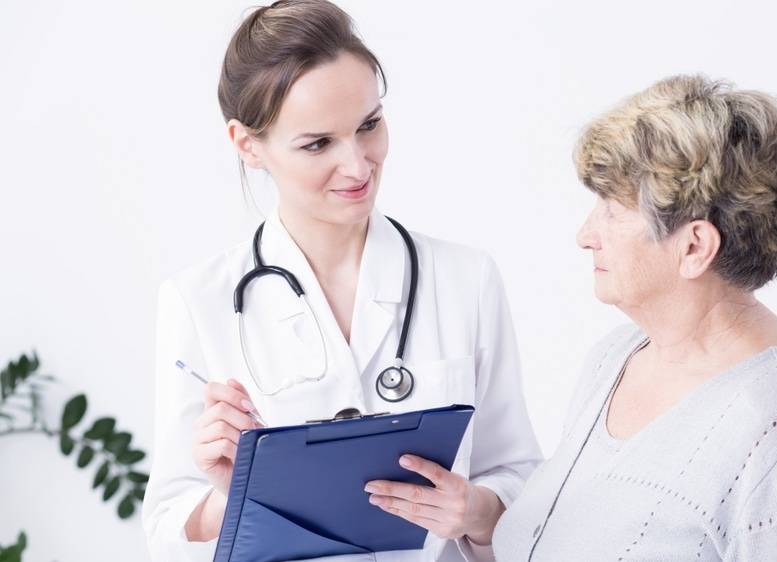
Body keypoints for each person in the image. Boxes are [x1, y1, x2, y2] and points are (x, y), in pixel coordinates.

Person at [141, 2, 541, 560]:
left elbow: (518, 476)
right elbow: (165, 524)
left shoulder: (465, 280)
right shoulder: (197, 301)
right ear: (247, 144)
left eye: (369, 126)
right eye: (317, 143)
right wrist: (229, 495)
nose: (358, 166)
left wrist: (473, 510)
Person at [490, 75, 777, 560]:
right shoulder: (616, 358)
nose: (585, 234)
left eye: (614, 209)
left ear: (695, 246)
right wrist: (486, 522)